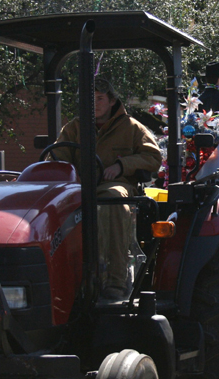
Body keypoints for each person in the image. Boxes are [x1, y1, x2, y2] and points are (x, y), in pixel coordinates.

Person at [52, 75, 162, 302]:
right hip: (78, 186)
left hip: (115, 185)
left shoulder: (131, 128)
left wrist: (122, 165)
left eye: (100, 98)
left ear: (112, 101)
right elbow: (57, 157)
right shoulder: (73, 128)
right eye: (89, 99)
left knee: (112, 199)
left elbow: (152, 157)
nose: (94, 104)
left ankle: (114, 281)